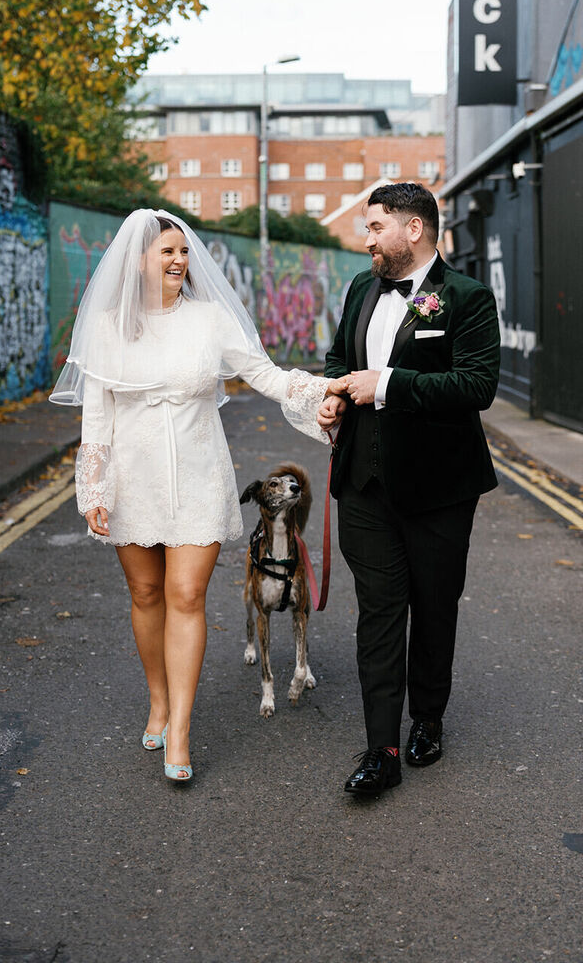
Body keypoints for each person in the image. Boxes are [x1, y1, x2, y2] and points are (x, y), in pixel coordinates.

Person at [50, 209, 335, 783]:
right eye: (167, 251)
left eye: (184, 251)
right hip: (132, 479)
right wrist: (93, 486)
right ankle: (158, 697)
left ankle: (179, 726)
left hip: (201, 474)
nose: (180, 260)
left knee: (185, 594)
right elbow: (97, 417)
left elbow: (265, 372)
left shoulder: (209, 319)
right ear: (140, 260)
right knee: (147, 591)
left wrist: (325, 392)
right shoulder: (107, 326)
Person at [317, 183, 500, 796]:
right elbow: (338, 359)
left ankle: (428, 717)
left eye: (374, 227)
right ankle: (382, 748)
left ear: (412, 229)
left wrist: (387, 385)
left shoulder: (468, 298)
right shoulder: (358, 290)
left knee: (435, 606)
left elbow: (475, 386)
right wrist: (334, 396)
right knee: (379, 612)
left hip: (441, 487)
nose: (365, 239)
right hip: (364, 485)